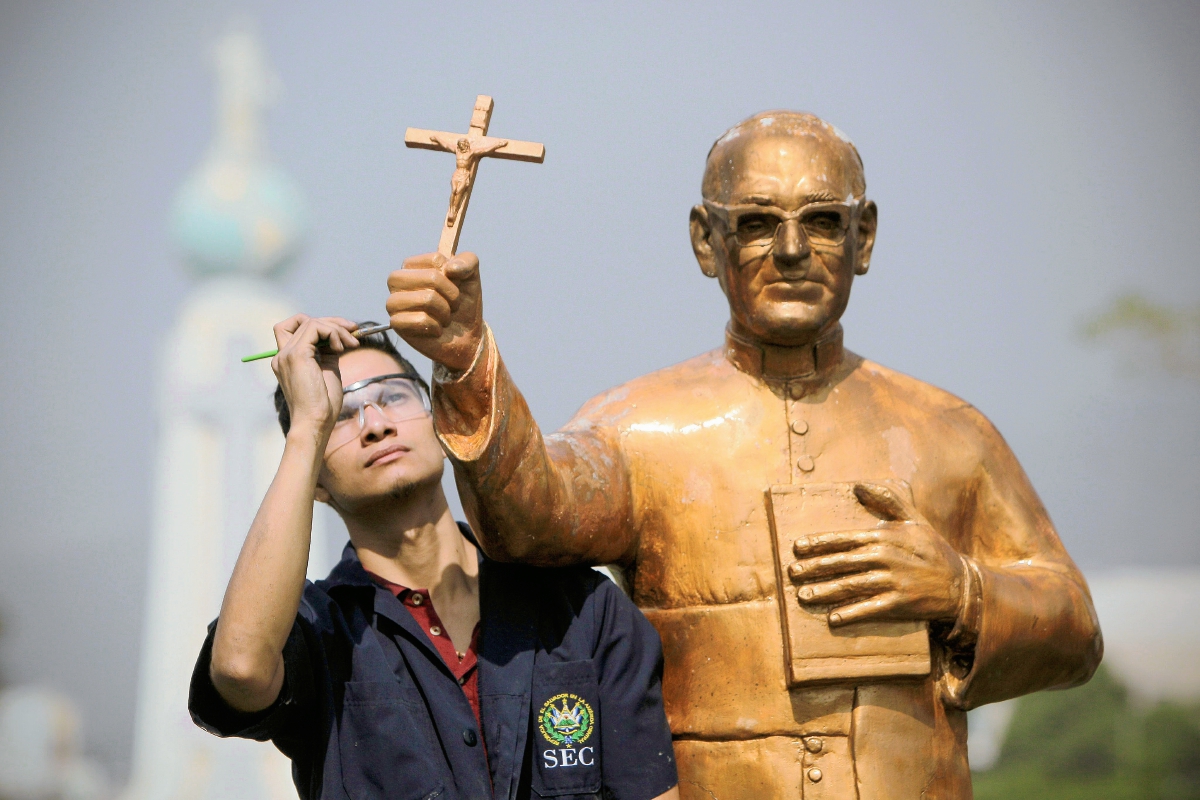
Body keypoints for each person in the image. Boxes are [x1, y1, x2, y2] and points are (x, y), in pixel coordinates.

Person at [384, 112, 1104, 798]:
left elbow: (1075, 626)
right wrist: (466, 361)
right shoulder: (641, 427)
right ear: (706, 242)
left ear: (866, 235)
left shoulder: (952, 432)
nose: (792, 250)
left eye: (822, 221)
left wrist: (961, 590)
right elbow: (528, 519)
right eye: (757, 224)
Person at [188, 315, 679, 800]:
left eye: (393, 396)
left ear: (439, 423)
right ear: (313, 480)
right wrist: (306, 426)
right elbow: (240, 668)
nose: (376, 425)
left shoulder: (580, 608)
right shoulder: (322, 634)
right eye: (341, 415)